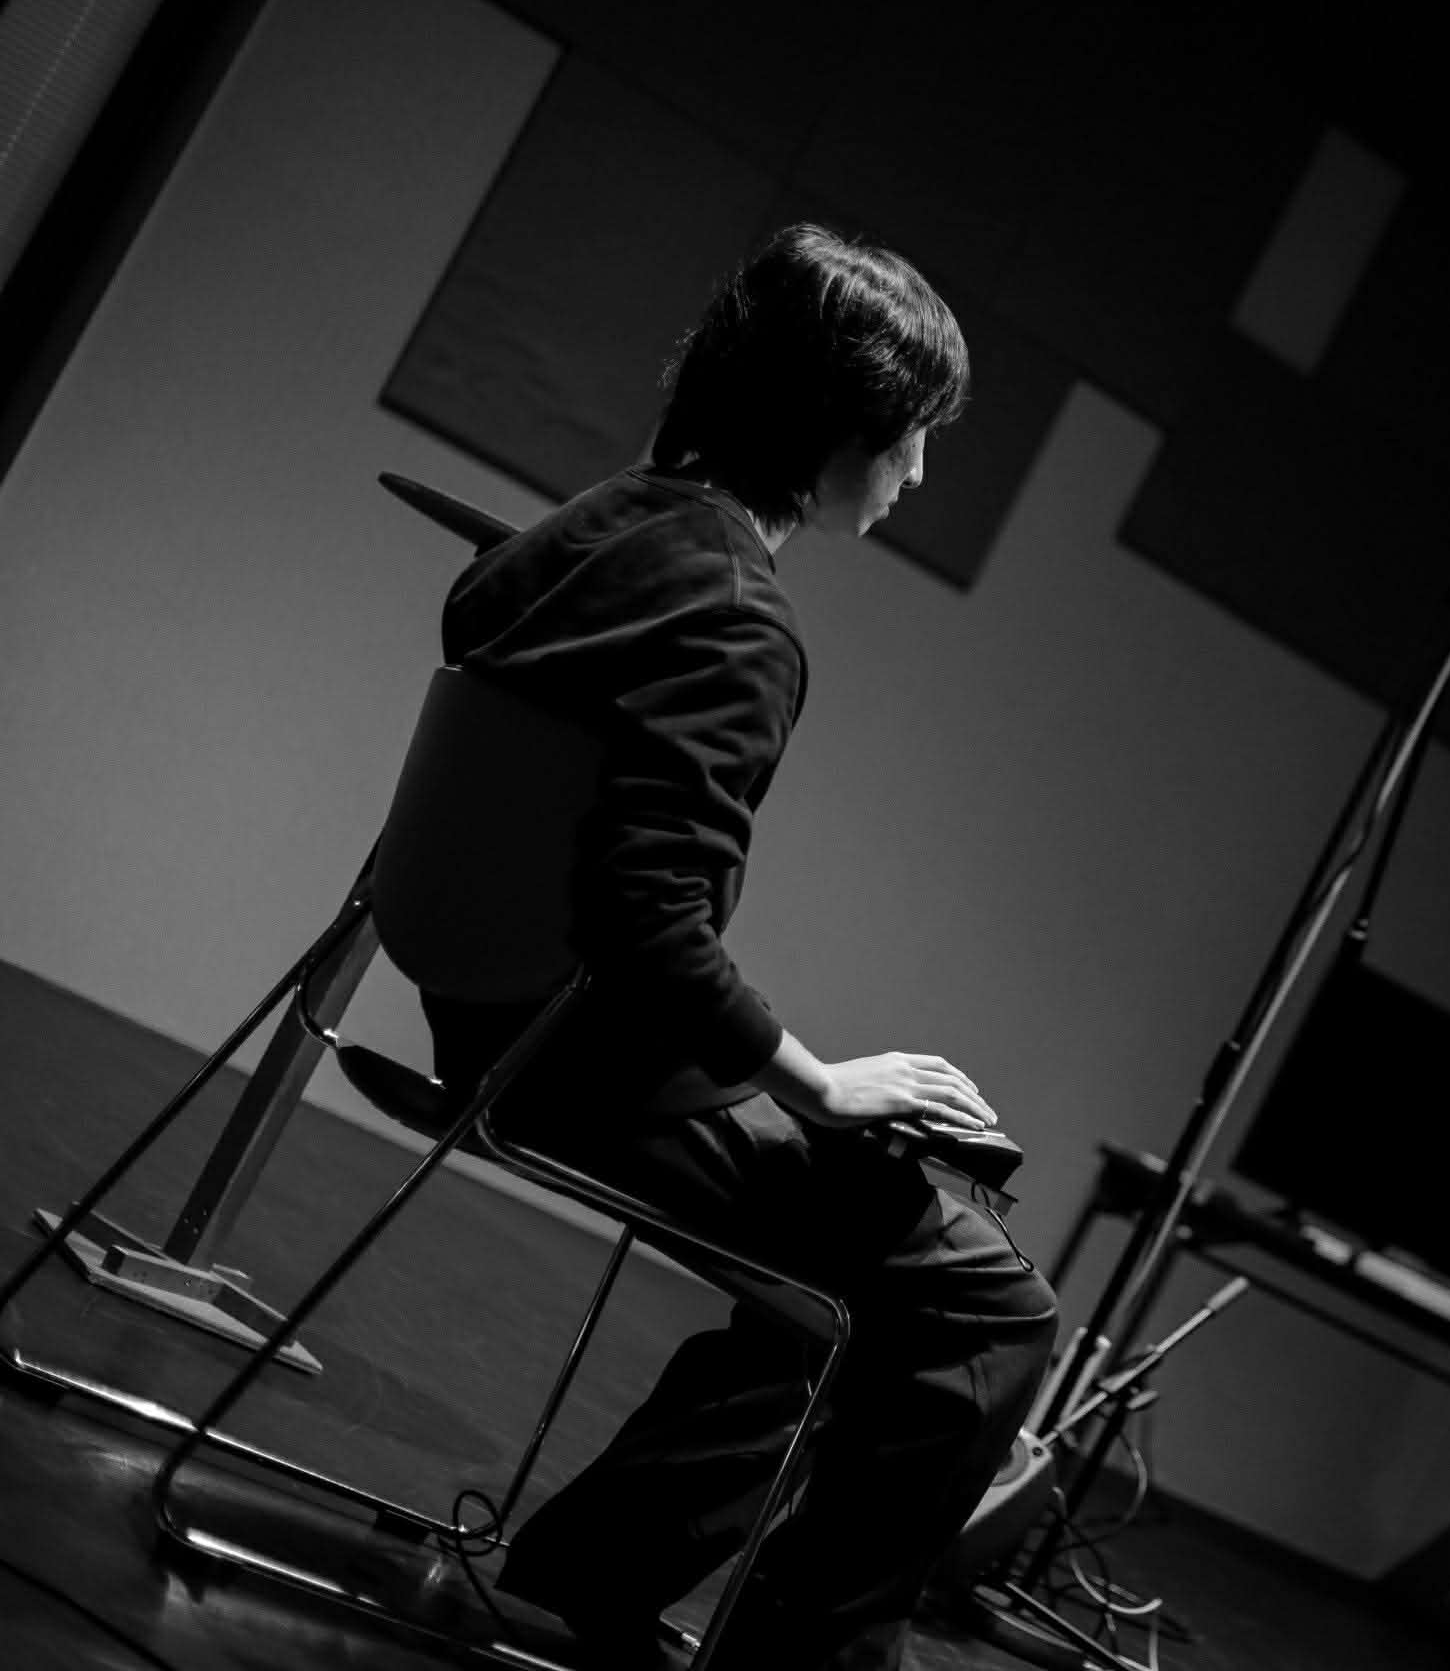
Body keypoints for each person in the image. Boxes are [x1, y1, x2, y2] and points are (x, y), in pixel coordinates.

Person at [421, 224, 1057, 1670]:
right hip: (585, 1077)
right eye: (911, 437)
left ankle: (596, 1573)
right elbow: (643, 919)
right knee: (986, 1300)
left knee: (851, 1257)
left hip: (484, 1023)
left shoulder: (591, 527)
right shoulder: (735, 615)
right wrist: (818, 1083)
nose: (917, 474)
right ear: (840, 428)